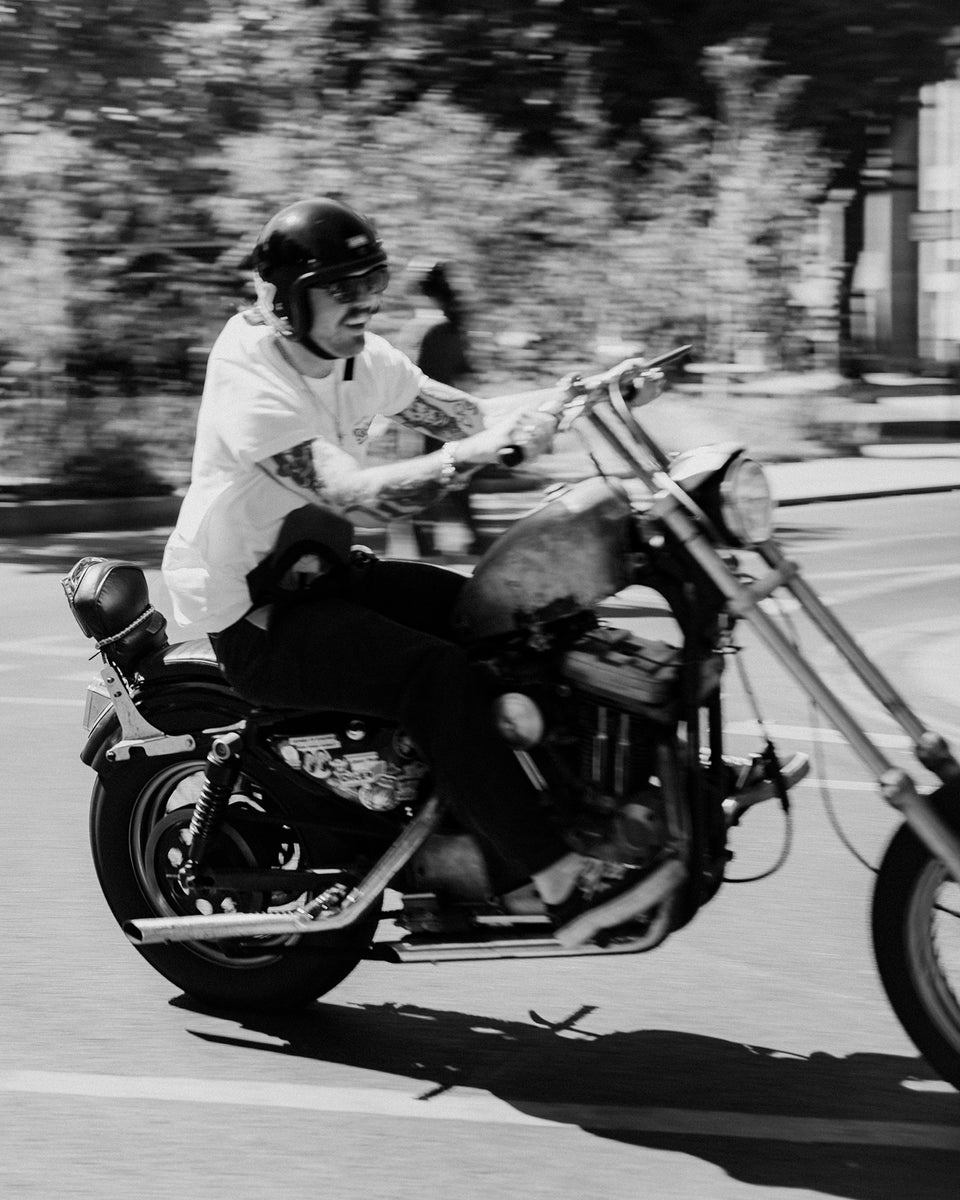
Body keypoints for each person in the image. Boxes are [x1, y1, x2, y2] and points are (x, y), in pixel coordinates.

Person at [161, 195, 660, 946]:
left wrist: (579, 397)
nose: (366, 302)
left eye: (373, 280)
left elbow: (468, 416)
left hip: (319, 570)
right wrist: (475, 454)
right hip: (255, 614)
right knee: (435, 677)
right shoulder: (251, 382)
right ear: (287, 300)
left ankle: (567, 811)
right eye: (343, 287)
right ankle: (554, 881)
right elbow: (356, 494)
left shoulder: (358, 356)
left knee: (509, 618)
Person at [396, 260, 480, 556]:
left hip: (421, 418)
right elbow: (464, 371)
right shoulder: (454, 327)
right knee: (456, 479)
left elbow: (406, 378)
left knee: (417, 483)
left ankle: (424, 551)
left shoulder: (424, 328)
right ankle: (475, 541)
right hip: (453, 418)